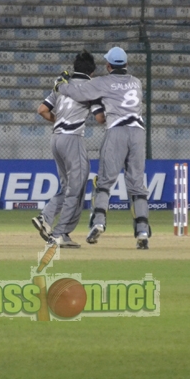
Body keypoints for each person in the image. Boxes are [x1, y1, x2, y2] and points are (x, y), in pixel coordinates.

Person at [55, 47, 152, 250]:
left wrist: (60, 85)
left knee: (105, 182)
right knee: (136, 185)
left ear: (108, 66)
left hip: (116, 131)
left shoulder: (103, 82)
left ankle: (98, 222)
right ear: (126, 64)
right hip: (138, 133)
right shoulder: (136, 82)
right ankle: (142, 231)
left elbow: (78, 93)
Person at [31, 50, 104, 248]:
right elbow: (100, 118)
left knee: (67, 187)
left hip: (56, 138)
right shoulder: (91, 88)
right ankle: (61, 233)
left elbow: (42, 110)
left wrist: (60, 121)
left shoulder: (62, 85)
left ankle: (45, 218)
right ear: (93, 71)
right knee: (76, 188)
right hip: (73, 139)